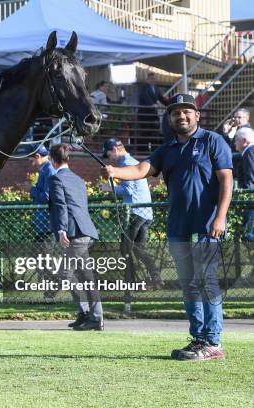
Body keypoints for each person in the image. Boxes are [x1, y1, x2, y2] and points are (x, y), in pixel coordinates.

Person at [105, 94, 233, 360]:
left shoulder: (213, 141)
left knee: (206, 281)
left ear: (197, 115)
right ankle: (198, 339)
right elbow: (141, 169)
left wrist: (220, 217)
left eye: (187, 111)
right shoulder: (167, 149)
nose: (182, 116)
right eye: (176, 113)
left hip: (208, 226)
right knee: (189, 285)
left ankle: (213, 342)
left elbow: (226, 181)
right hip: (178, 228)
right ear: (170, 119)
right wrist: (116, 172)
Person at [48, 144, 103, 331]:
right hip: (85, 230)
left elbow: (61, 206)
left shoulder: (56, 179)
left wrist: (62, 230)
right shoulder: (78, 179)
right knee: (86, 276)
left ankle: (90, 315)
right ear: (67, 159)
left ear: (52, 160)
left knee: (66, 274)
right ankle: (89, 315)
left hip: (75, 233)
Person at [101, 138, 163, 289]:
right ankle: (156, 278)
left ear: (115, 149)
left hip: (134, 212)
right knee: (139, 249)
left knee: (125, 248)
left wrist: (109, 188)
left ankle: (131, 283)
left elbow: (128, 190)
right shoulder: (133, 161)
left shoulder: (126, 164)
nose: (110, 158)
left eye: (109, 154)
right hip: (146, 212)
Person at [28, 144, 55, 242]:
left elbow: (46, 197)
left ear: (38, 156)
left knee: (45, 255)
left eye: (31, 159)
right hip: (42, 224)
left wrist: (30, 189)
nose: (31, 162)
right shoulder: (45, 169)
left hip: (46, 225)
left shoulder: (48, 170)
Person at [137, 73, 169, 152]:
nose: (152, 80)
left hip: (153, 115)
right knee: (144, 133)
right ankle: (143, 151)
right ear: (147, 79)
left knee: (154, 133)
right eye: (151, 78)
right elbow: (144, 96)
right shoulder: (143, 88)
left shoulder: (156, 88)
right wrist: (152, 104)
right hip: (144, 114)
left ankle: (154, 151)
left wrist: (170, 104)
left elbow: (161, 98)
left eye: (154, 78)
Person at [234, 127, 254, 246]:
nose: (235, 142)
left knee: (249, 234)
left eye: (237, 139)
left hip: (251, 201)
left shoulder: (250, 152)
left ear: (245, 140)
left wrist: (247, 200)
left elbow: (251, 178)